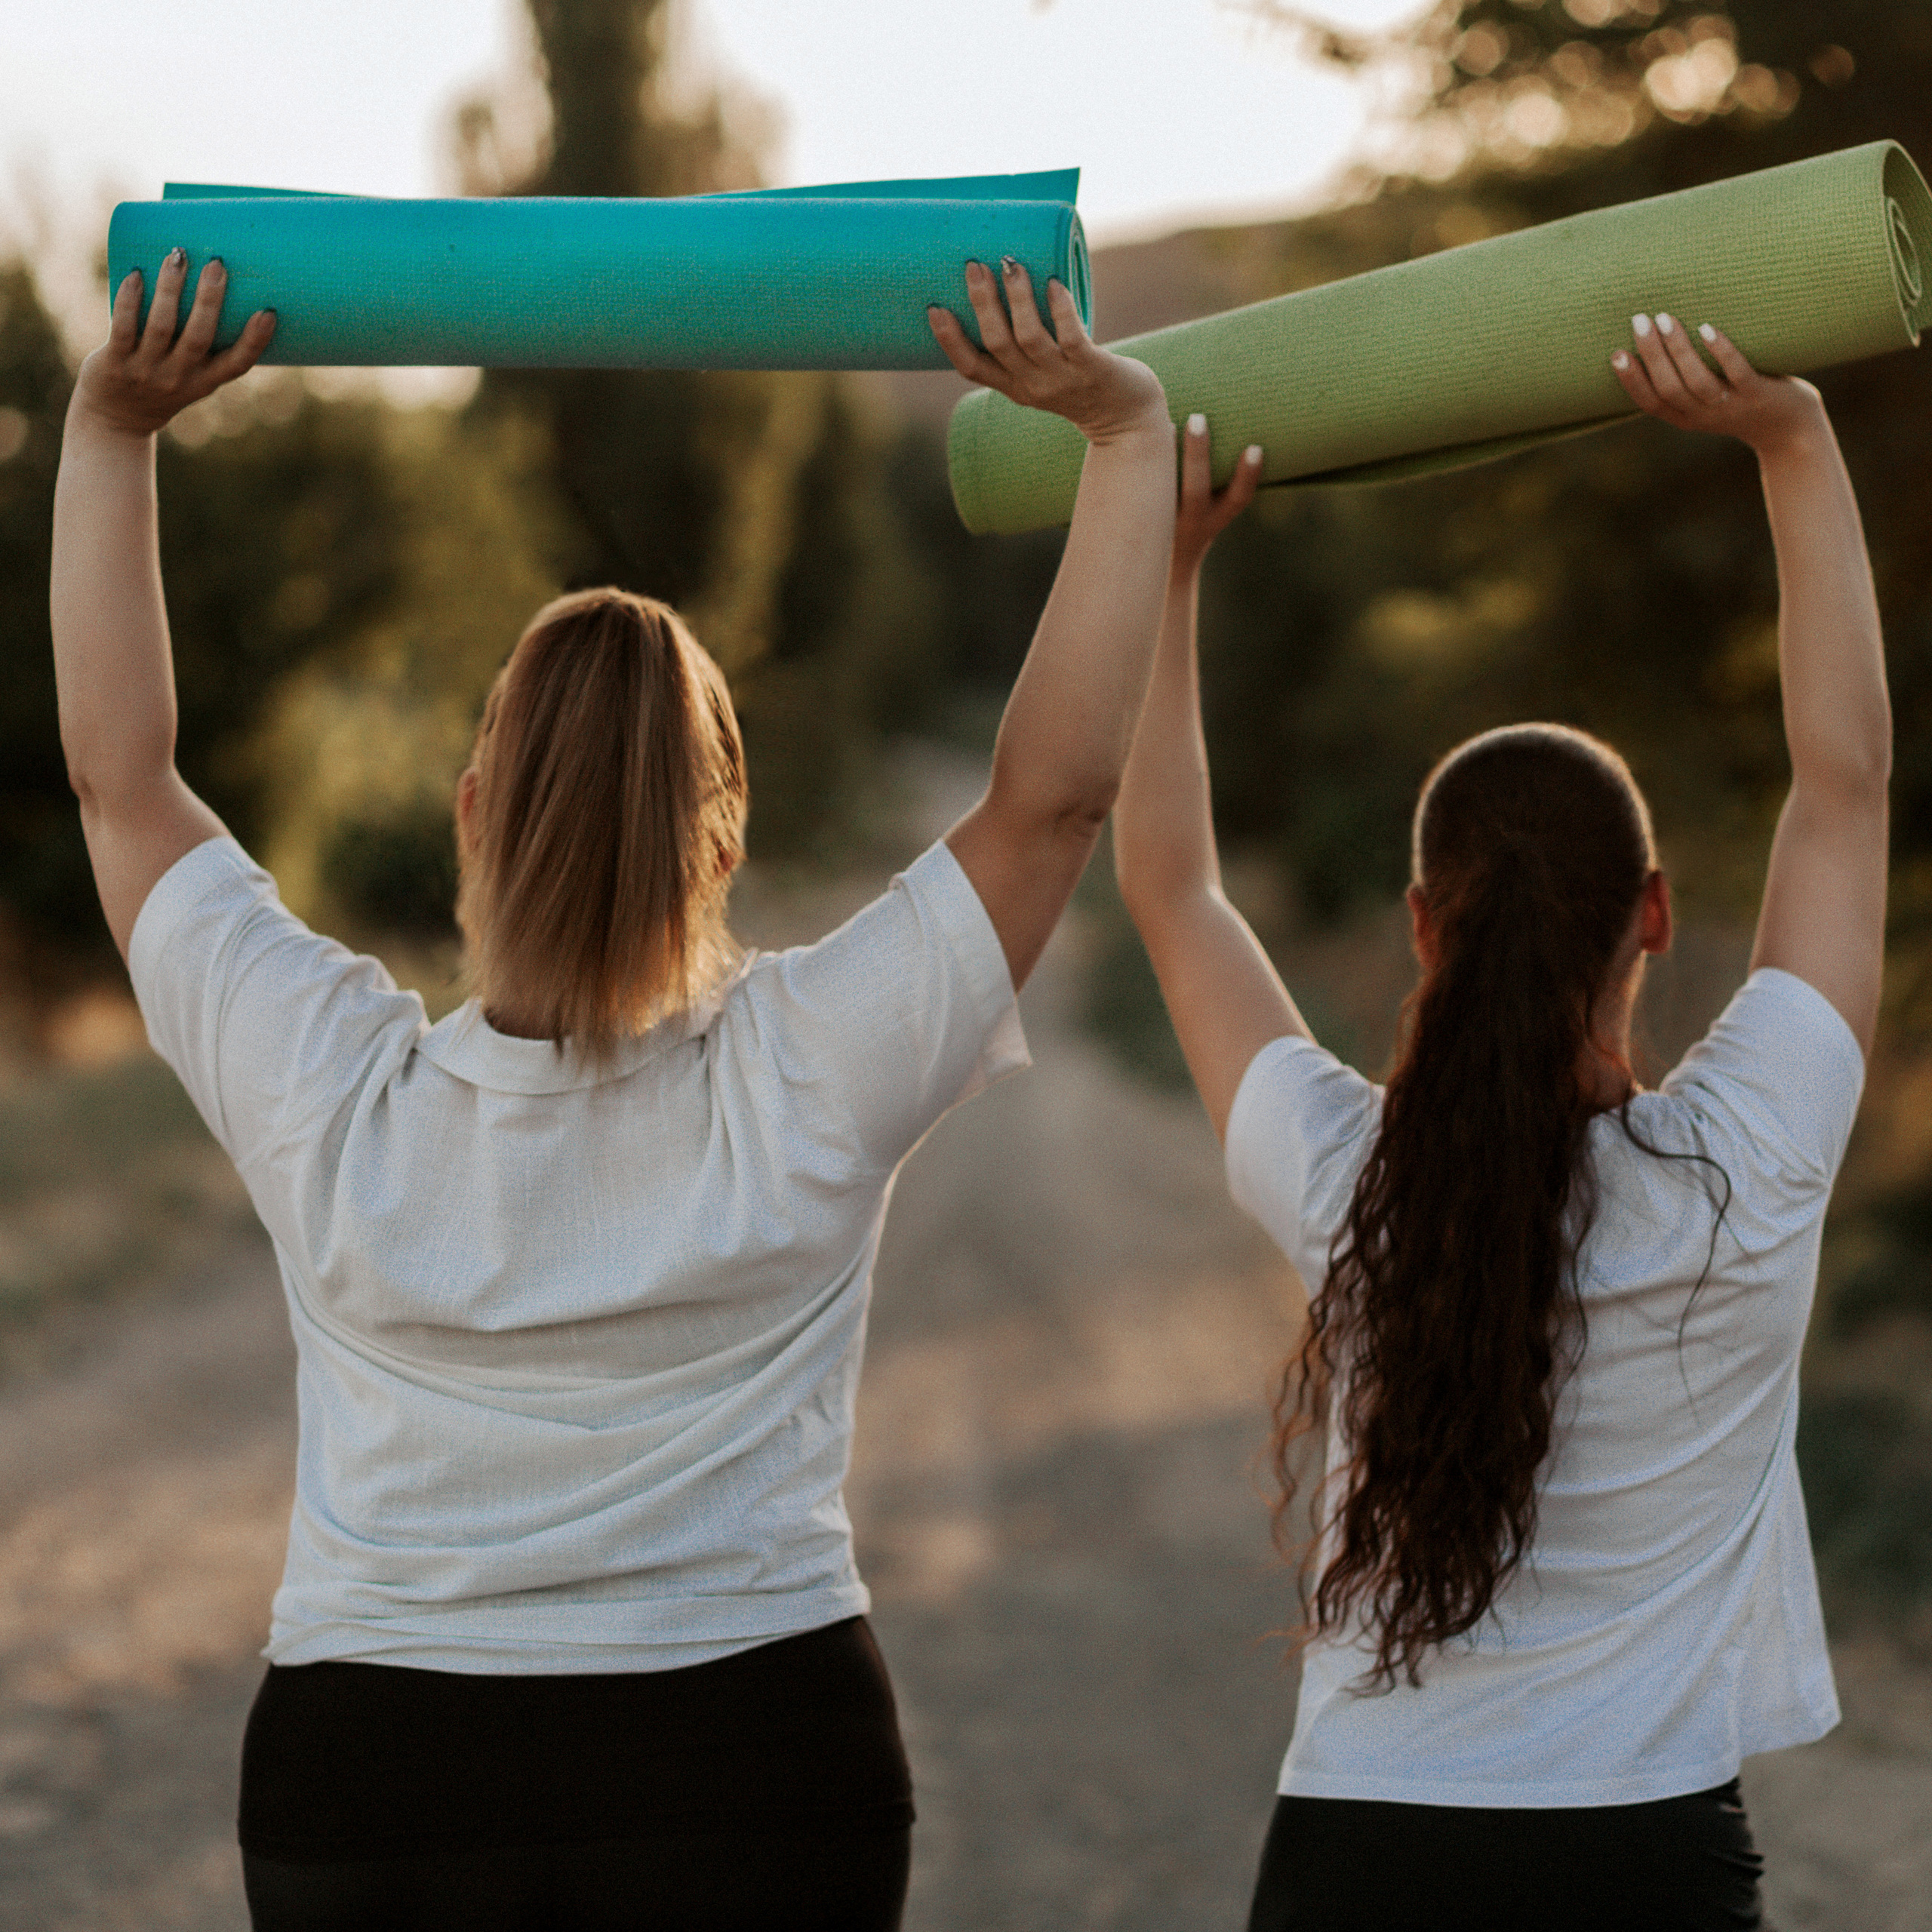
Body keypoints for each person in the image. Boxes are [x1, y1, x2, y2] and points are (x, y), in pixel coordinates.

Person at [50, 246, 1174, 1931]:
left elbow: (122, 783)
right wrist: (1126, 436)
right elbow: (1055, 800)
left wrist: (111, 429)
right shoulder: (807, 1068)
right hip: (749, 1767)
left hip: (380, 1781)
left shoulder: (326, 1082)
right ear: (721, 839)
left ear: (470, 813)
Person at [1112, 312, 1888, 1932]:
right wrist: (1792, 441)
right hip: (1642, 1863)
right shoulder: (1750, 1161)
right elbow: (1841, 789)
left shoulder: (1352, 1180)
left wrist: (1168, 573)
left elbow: (1171, 887)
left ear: (1422, 926)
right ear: (1653, 913)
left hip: (1360, 1851)